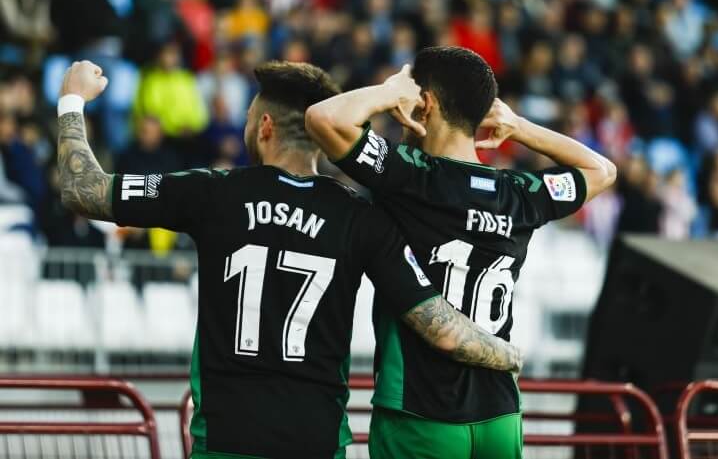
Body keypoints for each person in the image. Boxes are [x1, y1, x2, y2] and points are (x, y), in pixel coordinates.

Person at [56, 59, 522, 459]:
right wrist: (506, 352)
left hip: (227, 436)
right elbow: (438, 324)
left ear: (264, 127)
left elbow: (84, 190)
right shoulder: (362, 218)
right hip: (317, 440)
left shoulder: (211, 192)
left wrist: (72, 100)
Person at [305, 46, 617, 459]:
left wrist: (390, 90)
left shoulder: (410, 177)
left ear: (426, 102)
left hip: (422, 411)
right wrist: (519, 126)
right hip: (500, 414)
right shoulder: (518, 193)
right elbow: (602, 170)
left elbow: (323, 118)